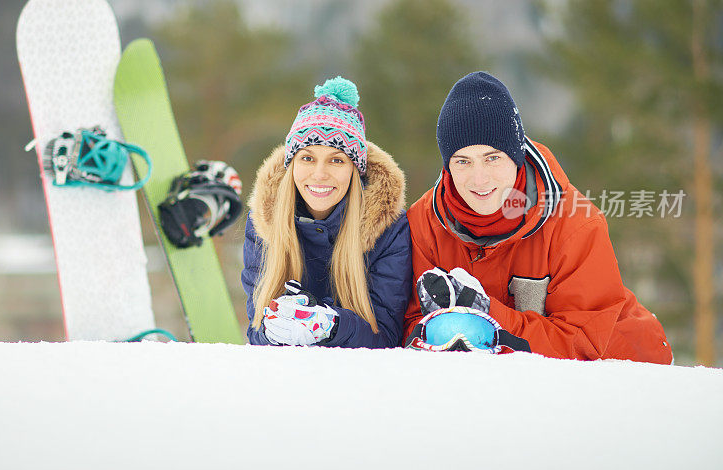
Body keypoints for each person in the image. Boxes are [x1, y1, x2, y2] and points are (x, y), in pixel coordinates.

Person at [403, 71, 673, 363]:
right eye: (463, 161)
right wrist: (441, 331)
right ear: (447, 166)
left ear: (516, 157)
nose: (479, 179)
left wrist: (487, 315)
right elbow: (408, 323)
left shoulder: (575, 224)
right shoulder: (423, 224)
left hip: (625, 368)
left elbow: (582, 343)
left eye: (493, 158)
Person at [242, 76, 411, 348]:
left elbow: (388, 335)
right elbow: (255, 331)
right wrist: (275, 329)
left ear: (355, 170)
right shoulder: (264, 224)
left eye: (336, 160)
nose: (319, 174)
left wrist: (331, 326)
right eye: (307, 158)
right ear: (292, 165)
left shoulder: (388, 228)